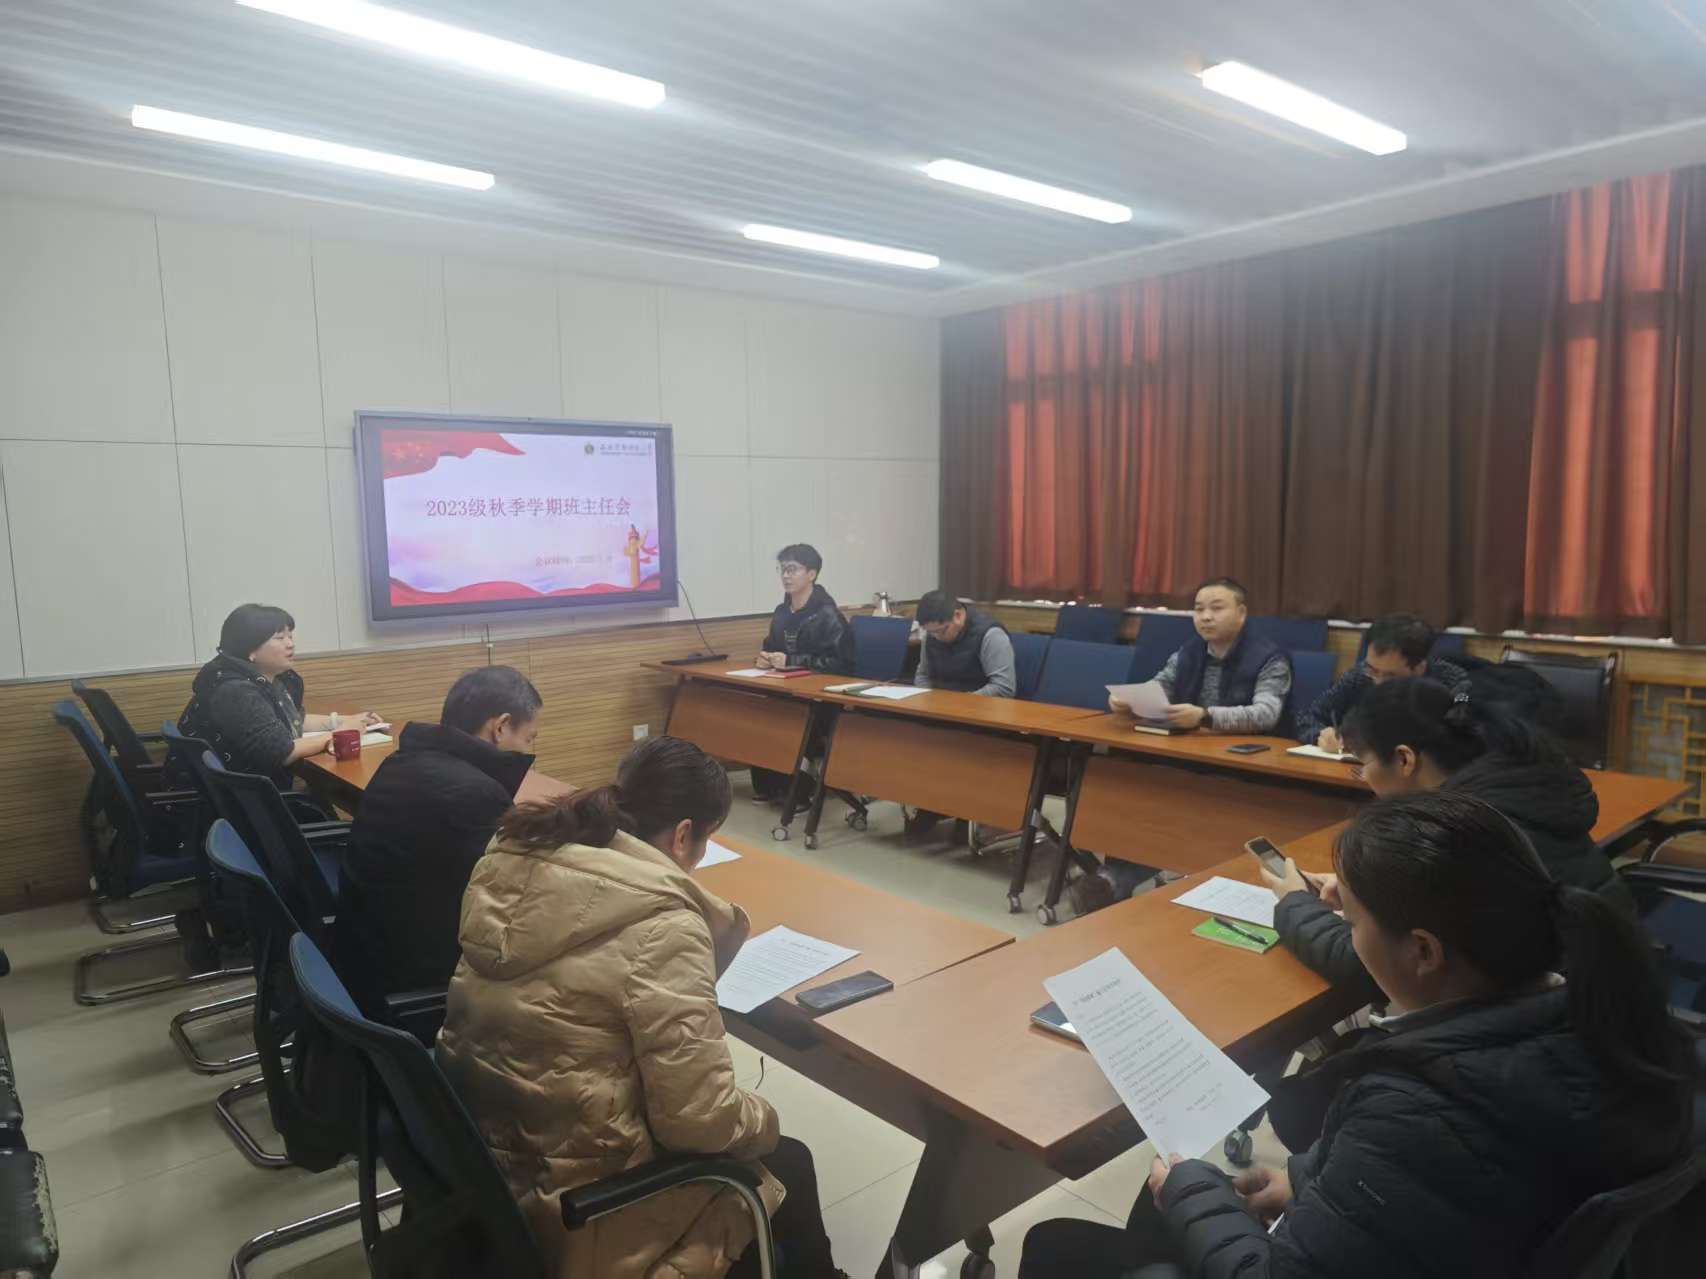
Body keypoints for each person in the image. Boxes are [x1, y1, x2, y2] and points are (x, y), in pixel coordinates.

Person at [1019, 790, 1695, 1279]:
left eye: (1353, 918)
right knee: (1159, 1223)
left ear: (1423, 951)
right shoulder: (1606, 1017)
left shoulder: (1420, 1109)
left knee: (1057, 1245)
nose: (1345, 929)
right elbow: (1437, 1194)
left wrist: (1192, 1186)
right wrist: (1308, 1180)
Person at [436, 736, 845, 1279]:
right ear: (683, 835)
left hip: (486, 1162)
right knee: (787, 1158)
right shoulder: (665, 926)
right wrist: (762, 1117)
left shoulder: (515, 861)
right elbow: (698, 1122)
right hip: (580, 1212)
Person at [1265, 677, 1633, 1003]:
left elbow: (1382, 967)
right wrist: (1368, 891)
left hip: (1565, 1018)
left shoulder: (1459, 833)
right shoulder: (1512, 787)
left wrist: (1296, 904)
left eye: (1363, 766)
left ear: (1404, 759)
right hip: (1615, 991)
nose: (1364, 780)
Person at [335, 666, 542, 1009]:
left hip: (359, 950)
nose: (526, 750)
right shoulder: (476, 794)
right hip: (410, 976)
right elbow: (506, 903)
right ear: (501, 726)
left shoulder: (402, 761)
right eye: (529, 738)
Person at [173, 603, 380, 790]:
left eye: (290, 636)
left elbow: (290, 720)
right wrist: (342, 733)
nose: (290, 644)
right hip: (242, 800)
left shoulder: (271, 679)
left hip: (247, 793)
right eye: (280, 638)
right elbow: (280, 753)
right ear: (250, 649)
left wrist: (343, 721)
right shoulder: (235, 690)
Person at [1109, 578, 1292, 734]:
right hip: (1192, 744)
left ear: (1241, 613)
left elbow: (1266, 714)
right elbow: (1161, 686)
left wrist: (1204, 717)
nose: (1206, 617)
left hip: (1243, 752)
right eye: (1199, 609)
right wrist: (1130, 702)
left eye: (1217, 608)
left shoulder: (1269, 658)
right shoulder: (1189, 651)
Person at [750, 544, 854, 803]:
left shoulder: (828, 615)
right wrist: (764, 659)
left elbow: (842, 664)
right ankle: (770, 787)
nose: (786, 576)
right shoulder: (782, 612)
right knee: (757, 716)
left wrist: (792, 661)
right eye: (783, 569)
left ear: (812, 574)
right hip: (787, 691)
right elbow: (770, 646)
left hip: (820, 698)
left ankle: (798, 793)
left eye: (793, 569)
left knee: (792, 720)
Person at [1293, 614, 1468, 751]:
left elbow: (1461, 744)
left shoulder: (1452, 683)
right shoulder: (1361, 675)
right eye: (1373, 670)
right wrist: (1320, 735)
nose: (1378, 682)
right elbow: (1307, 718)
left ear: (1419, 668)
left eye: (1391, 676)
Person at [913, 590, 1015, 697]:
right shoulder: (931, 635)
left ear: (957, 615)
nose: (936, 637)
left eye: (942, 631)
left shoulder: (991, 635)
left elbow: (1003, 687)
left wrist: (961, 701)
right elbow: (923, 675)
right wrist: (927, 697)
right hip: (939, 703)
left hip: (978, 704)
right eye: (930, 632)